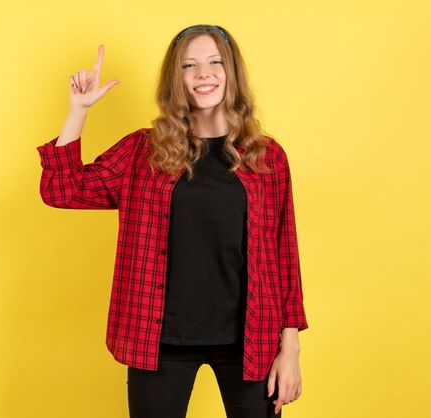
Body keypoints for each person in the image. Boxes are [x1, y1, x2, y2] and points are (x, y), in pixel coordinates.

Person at [37, 24, 309, 418]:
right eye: (189, 65)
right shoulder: (141, 151)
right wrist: (77, 112)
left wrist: (291, 348)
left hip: (252, 340)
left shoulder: (266, 156)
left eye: (215, 62)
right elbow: (62, 191)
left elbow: (286, 255)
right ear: (175, 79)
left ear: (231, 72)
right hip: (158, 339)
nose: (204, 74)